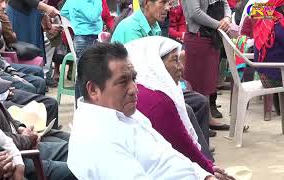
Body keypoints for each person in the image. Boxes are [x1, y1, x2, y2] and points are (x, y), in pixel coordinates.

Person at [67, 42, 234, 180]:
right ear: (93, 90)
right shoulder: (98, 140)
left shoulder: (123, 113)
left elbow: (167, 154)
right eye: (123, 82)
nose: (134, 89)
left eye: (134, 78)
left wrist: (205, 176)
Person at [0, 22, 76, 180]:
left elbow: (0, 120)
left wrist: (21, 127)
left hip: (15, 146)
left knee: (73, 141)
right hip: (14, 158)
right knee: (76, 161)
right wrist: (25, 142)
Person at [126, 36, 215, 172]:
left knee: (194, 105)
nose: (181, 66)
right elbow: (183, 148)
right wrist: (209, 170)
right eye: (175, 60)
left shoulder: (151, 88)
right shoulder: (160, 102)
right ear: (156, 64)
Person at [0, 22, 61, 129]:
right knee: (34, 92)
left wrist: (12, 75)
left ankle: (44, 132)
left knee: (47, 97)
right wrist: (22, 135)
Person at [182, 0, 232, 129]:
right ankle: (197, 123)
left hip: (212, 37)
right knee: (196, 83)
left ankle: (207, 118)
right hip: (198, 37)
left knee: (208, 82)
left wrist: (227, 18)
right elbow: (195, 12)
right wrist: (219, 25)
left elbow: (225, 3)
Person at [61, 0, 103, 100]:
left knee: (83, 75)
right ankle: (83, 106)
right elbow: (93, 16)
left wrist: (77, 21)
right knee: (87, 76)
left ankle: (80, 106)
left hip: (82, 37)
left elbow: (64, 11)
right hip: (87, 38)